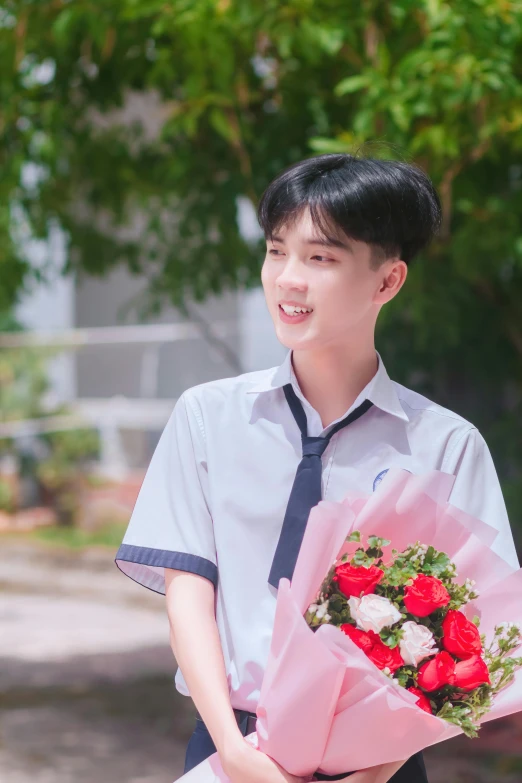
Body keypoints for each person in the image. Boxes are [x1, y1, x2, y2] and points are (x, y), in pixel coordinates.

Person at [114, 153, 520, 783]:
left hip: (378, 763)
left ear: (387, 281)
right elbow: (188, 596)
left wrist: (376, 769)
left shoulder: (445, 445)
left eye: (320, 259)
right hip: (230, 745)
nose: (287, 280)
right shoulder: (207, 418)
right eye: (277, 252)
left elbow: (480, 636)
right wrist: (237, 749)